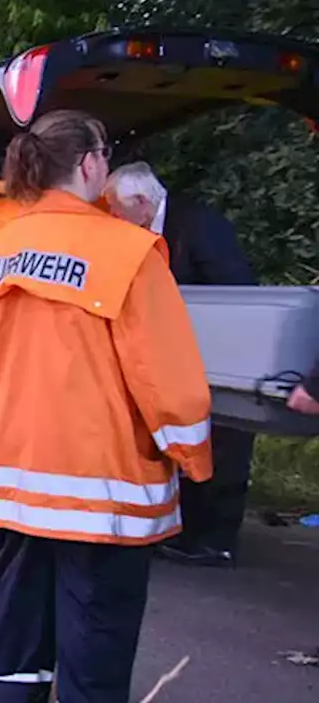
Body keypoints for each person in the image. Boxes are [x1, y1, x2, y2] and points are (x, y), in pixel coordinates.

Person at [0, 109, 214, 703]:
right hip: (104, 498)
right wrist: (194, 463)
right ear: (89, 163)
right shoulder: (129, 252)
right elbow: (171, 386)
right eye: (106, 151)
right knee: (93, 664)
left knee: (19, 654)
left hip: (17, 492)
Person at [104, 162, 259, 568]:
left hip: (220, 351)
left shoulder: (200, 226)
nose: (115, 218)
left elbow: (237, 293)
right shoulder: (150, 228)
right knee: (184, 438)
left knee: (224, 443)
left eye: (118, 209)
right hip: (176, 352)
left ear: (141, 201)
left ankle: (216, 540)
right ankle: (187, 529)